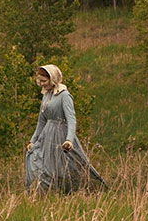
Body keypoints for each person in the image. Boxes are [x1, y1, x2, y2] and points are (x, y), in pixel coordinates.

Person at [25, 64, 104, 192]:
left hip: (60, 134)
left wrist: (69, 139)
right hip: (47, 136)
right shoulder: (46, 95)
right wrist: (33, 140)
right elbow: (41, 121)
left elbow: (71, 119)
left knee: (68, 166)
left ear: (53, 79)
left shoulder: (64, 95)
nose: (41, 84)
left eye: (44, 81)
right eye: (40, 81)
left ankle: (86, 190)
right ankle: (45, 194)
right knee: (42, 163)